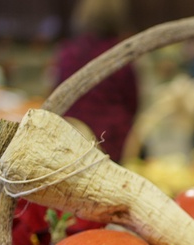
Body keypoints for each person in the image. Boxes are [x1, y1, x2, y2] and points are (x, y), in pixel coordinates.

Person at [51, 0, 139, 162]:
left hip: (73, 137)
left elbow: (57, 94)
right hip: (111, 142)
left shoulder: (68, 52)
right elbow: (132, 103)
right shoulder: (120, 55)